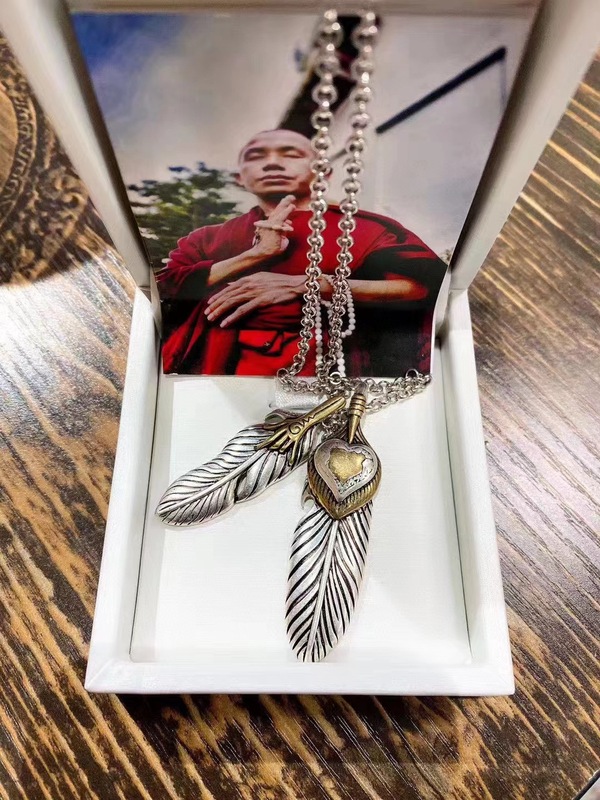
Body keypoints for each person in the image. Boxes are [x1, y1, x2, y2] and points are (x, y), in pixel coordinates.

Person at [156, 128, 447, 377]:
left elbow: (422, 288)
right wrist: (256, 254)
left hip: (334, 370)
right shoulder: (208, 237)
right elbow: (165, 288)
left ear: (323, 172)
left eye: (291, 154)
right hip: (222, 370)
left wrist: (310, 285)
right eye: (256, 156)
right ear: (239, 178)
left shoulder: (367, 228)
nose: (272, 163)